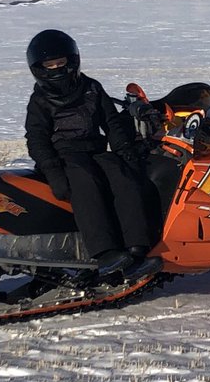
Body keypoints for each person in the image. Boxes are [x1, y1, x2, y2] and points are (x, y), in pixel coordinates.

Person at [24, 29, 153, 276]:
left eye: (61, 63)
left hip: (94, 149)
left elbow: (111, 122)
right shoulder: (40, 100)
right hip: (64, 155)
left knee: (122, 176)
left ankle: (137, 246)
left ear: (72, 61)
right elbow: (36, 138)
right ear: (39, 69)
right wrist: (52, 171)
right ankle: (104, 253)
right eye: (50, 65)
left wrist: (125, 152)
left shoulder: (91, 88)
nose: (56, 69)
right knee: (86, 182)